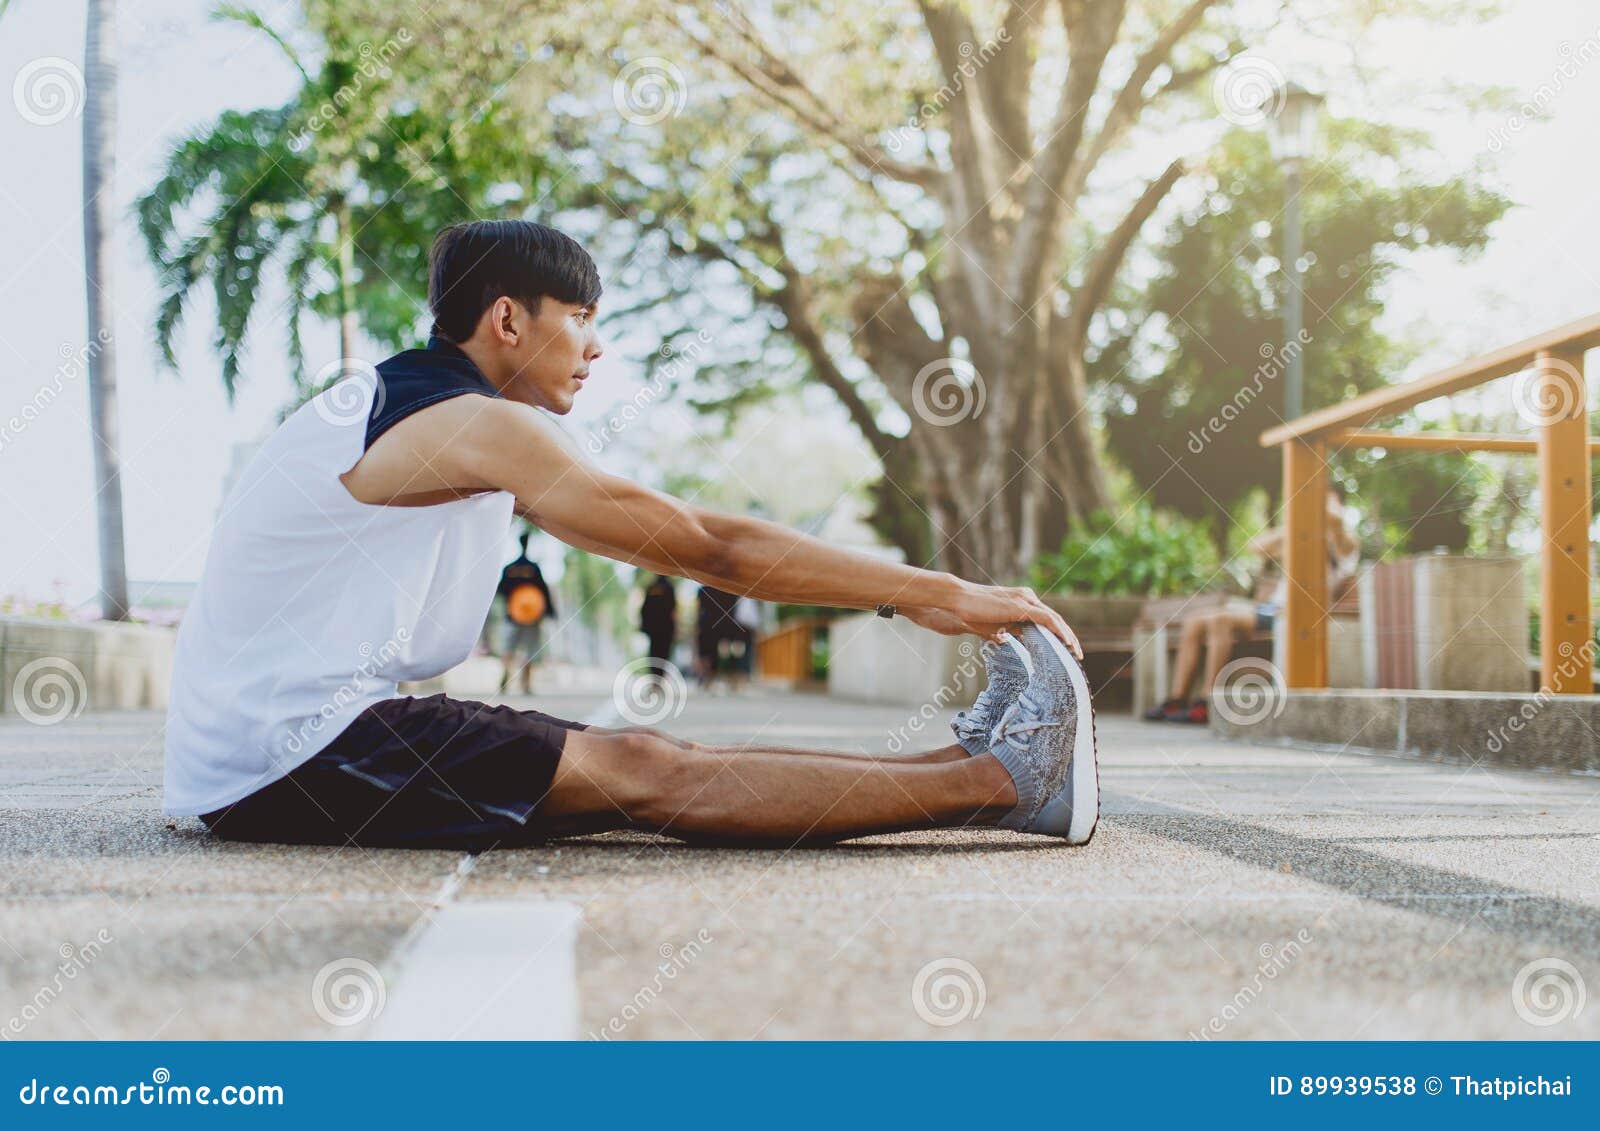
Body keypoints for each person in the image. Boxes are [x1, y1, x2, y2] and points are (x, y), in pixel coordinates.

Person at [163, 219, 1096, 851]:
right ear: (506, 319)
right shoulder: (466, 420)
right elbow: (703, 546)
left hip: (287, 744)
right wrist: (937, 592)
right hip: (292, 751)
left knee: (641, 763)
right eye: (579, 319)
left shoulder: (426, 412)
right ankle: (1006, 785)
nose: (595, 348)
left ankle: (988, 771)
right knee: (646, 770)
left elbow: (685, 532)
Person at [1144, 485, 1359, 725]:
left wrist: (1323, 513)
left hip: (1296, 615)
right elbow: (1257, 547)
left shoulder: (1345, 543)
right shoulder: (1299, 537)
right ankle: (1177, 700)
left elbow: (1338, 528)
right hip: (1271, 610)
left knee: (1220, 621)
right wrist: (1299, 522)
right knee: (1194, 621)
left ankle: (1207, 703)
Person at [497, 530, 557, 694]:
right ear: (528, 544)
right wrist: (551, 612)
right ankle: (526, 684)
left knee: (509, 647)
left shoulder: (509, 569)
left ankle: (505, 675)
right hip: (532, 616)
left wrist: (512, 598)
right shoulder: (534, 569)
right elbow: (543, 592)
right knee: (530, 649)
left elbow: (500, 590)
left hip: (513, 615)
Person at [639, 574, 678, 685]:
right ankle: (659, 681)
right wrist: (675, 628)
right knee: (663, 654)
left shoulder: (651, 587)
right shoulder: (669, 587)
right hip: (665, 629)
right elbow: (673, 611)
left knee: (654, 653)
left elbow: (644, 610)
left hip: (654, 629)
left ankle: (655, 681)